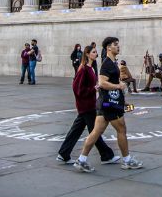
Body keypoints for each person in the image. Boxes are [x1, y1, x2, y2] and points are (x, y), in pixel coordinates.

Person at [74, 37, 143, 173]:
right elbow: (102, 83)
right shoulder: (107, 64)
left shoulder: (112, 62)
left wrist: (122, 98)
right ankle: (127, 160)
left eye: (118, 44)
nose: (118, 46)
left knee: (96, 132)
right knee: (121, 129)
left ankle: (81, 160)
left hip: (106, 103)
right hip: (109, 104)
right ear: (108, 48)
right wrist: (119, 86)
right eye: (115, 45)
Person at [56, 45, 117, 165]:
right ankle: (106, 155)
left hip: (89, 105)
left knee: (77, 131)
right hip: (86, 105)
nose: (96, 54)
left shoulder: (90, 68)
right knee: (95, 131)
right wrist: (93, 89)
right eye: (93, 52)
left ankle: (63, 154)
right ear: (88, 54)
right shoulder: (83, 69)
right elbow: (76, 88)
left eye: (96, 52)